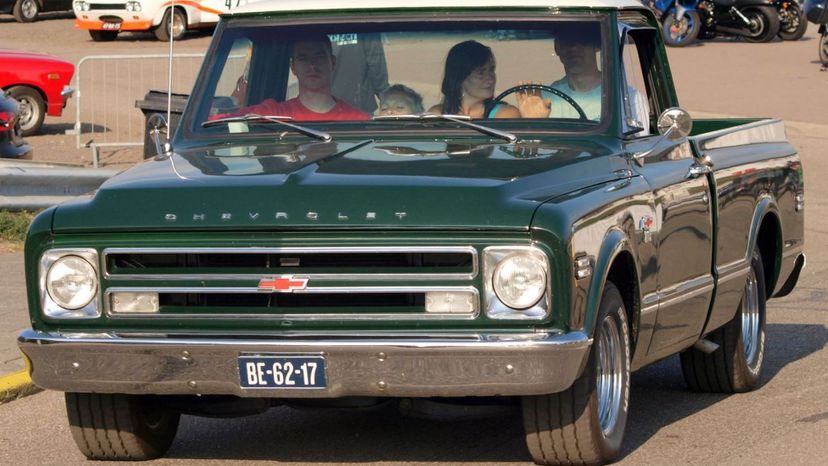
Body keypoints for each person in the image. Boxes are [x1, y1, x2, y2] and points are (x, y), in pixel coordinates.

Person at [517, 24, 649, 134]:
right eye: (566, 41)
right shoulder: (544, 99)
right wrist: (532, 125)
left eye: (582, 40)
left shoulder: (629, 99)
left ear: (597, 45)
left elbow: (631, 152)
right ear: (557, 48)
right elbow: (538, 151)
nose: (574, 48)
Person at [216, 35, 369, 122]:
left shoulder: (356, 119)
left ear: (333, 62)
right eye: (303, 58)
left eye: (319, 56)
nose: (312, 65)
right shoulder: (272, 114)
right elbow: (214, 123)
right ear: (293, 67)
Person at [428, 40, 520, 119]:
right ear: (460, 77)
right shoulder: (438, 114)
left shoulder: (506, 114)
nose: (490, 79)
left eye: (491, 70)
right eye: (480, 73)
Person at [330, 33, 390, 114]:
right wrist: (386, 98)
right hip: (360, 107)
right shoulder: (365, 27)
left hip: (327, 106)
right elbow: (376, 65)